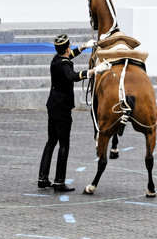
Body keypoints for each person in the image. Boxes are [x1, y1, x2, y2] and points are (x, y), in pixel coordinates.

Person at [38, 35, 109, 192]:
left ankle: (42, 178)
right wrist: (95, 70)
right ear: (67, 48)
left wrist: (83, 47)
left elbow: (68, 56)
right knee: (64, 144)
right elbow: (74, 76)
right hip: (62, 109)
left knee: (51, 141)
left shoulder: (56, 59)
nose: (70, 49)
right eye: (69, 47)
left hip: (53, 105)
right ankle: (59, 181)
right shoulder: (64, 65)